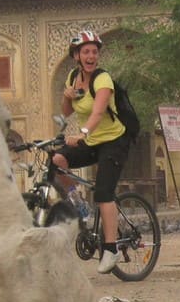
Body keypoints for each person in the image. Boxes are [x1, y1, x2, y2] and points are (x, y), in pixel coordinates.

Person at [54, 29, 133, 273]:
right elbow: (66, 112)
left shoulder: (102, 79)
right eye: (86, 52)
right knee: (57, 160)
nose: (91, 56)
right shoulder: (72, 77)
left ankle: (111, 249)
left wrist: (83, 133)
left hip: (113, 140)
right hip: (91, 140)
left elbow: (98, 112)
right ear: (76, 55)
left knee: (103, 192)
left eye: (94, 52)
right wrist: (66, 96)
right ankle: (80, 207)